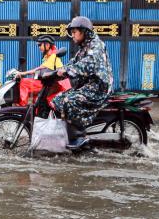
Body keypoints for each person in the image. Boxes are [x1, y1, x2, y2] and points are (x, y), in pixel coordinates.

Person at [53, 16, 113, 150]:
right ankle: (68, 132)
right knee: (57, 99)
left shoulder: (96, 46)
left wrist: (67, 71)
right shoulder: (84, 47)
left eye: (75, 32)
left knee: (69, 100)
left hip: (98, 87)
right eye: (72, 32)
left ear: (84, 31)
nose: (72, 35)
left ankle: (80, 136)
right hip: (87, 85)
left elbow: (87, 65)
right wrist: (58, 71)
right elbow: (74, 62)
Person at [14, 34, 70, 106]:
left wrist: (22, 73)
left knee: (24, 82)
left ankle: (23, 107)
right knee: (29, 84)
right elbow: (41, 72)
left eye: (40, 45)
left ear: (47, 45)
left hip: (52, 86)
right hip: (48, 84)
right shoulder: (48, 56)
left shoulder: (53, 56)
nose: (39, 47)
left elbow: (38, 69)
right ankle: (32, 108)